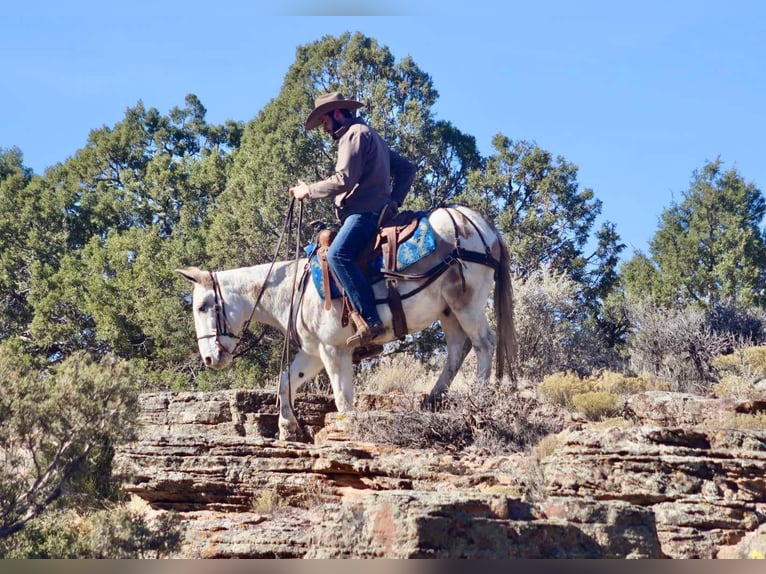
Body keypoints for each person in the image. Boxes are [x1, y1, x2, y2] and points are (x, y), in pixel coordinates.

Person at [290, 92, 417, 348]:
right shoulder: (372, 136)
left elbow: (344, 180)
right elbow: (407, 169)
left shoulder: (353, 135)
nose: (324, 128)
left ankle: (371, 321)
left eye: (324, 121)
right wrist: (394, 202)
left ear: (337, 113)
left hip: (364, 214)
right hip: (374, 211)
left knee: (337, 255)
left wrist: (309, 191)